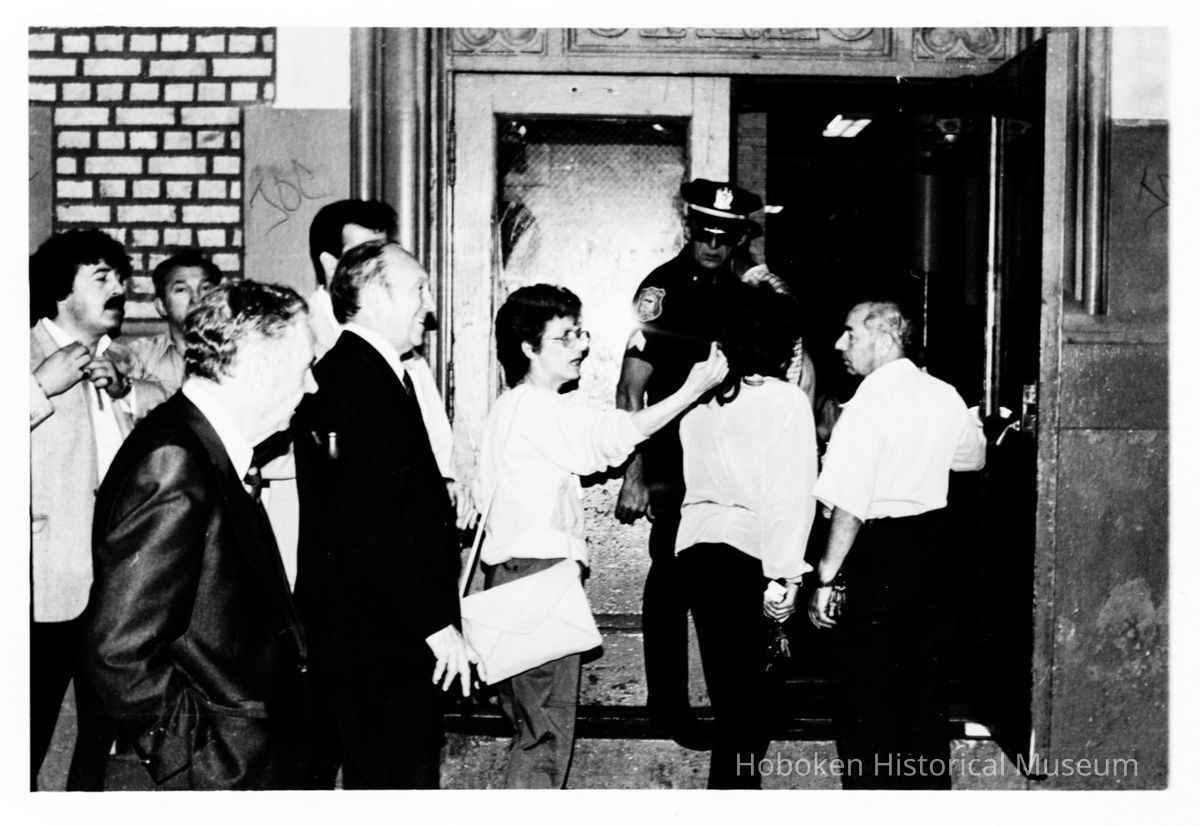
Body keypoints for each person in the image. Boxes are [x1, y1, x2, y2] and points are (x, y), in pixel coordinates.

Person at [479, 284, 728, 787]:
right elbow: (611, 440)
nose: (580, 345)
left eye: (580, 332)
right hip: (537, 578)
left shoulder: (517, 406)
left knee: (532, 728)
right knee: (545, 737)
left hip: (511, 577)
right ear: (528, 348)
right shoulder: (537, 408)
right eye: (565, 336)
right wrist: (688, 392)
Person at [81, 280, 317, 790]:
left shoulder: (203, 447)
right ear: (257, 368)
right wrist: (201, 760)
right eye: (304, 368)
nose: (312, 386)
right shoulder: (176, 461)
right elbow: (119, 649)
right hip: (217, 778)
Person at [293, 240, 478, 789]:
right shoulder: (355, 380)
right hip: (376, 642)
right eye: (419, 288)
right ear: (374, 295)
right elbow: (369, 521)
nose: (429, 303)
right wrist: (435, 624)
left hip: (376, 634)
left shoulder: (373, 372)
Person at [806, 300, 986, 789]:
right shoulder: (944, 394)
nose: (840, 344)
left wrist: (825, 579)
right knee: (923, 698)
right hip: (931, 551)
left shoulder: (867, 403)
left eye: (849, 334)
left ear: (884, 338)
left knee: (865, 703)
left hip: (874, 556)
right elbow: (971, 459)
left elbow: (848, 502)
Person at [615, 178, 761, 749]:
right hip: (674, 463)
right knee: (672, 584)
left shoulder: (748, 294)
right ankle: (669, 710)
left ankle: (734, 709)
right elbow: (630, 392)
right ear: (689, 229)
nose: (713, 245)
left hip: (732, 462)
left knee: (731, 582)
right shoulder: (662, 291)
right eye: (705, 233)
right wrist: (635, 473)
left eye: (726, 236)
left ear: (739, 238)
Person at [28, 228, 165, 790]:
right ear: (63, 290)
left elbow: (171, 409)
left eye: (121, 277)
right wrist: (38, 386)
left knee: (96, 734)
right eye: (101, 278)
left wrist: (126, 390)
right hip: (46, 581)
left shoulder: (117, 359)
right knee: (31, 730)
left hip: (112, 583)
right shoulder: (24, 352)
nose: (120, 289)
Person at [675, 282, 818, 789]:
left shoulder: (702, 403)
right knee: (749, 717)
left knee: (732, 708)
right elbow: (788, 495)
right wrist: (785, 579)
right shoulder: (783, 401)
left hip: (698, 554)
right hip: (748, 558)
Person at [106, 250, 223, 397]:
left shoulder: (239, 354)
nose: (196, 300)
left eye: (205, 288)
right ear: (162, 306)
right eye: (182, 290)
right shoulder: (141, 356)